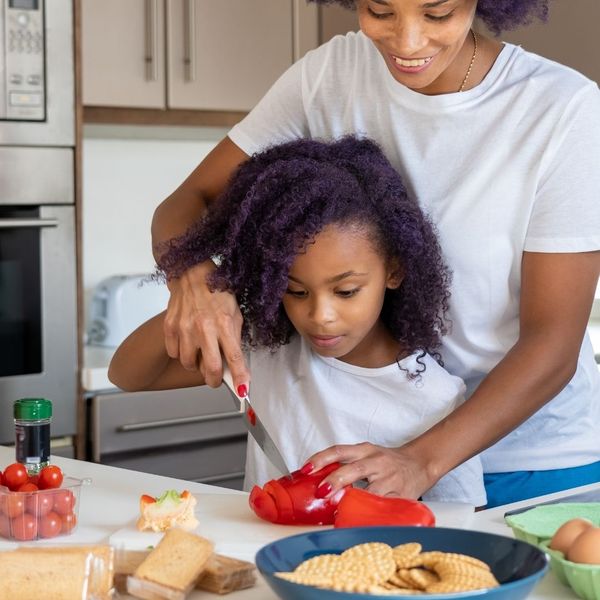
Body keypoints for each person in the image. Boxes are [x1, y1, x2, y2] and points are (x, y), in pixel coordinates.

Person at [150, 0, 600, 508]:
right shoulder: (329, 75)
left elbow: (553, 343)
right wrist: (195, 282)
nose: (407, 43)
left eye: (438, 14)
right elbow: (185, 204)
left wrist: (422, 460)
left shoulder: (562, 109)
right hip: (384, 455)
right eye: (380, 11)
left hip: (528, 462)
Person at [109, 136, 486, 506]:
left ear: (394, 271)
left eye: (346, 291)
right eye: (296, 291)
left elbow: (462, 526)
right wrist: (203, 302)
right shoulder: (266, 349)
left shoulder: (435, 401)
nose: (320, 316)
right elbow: (127, 374)